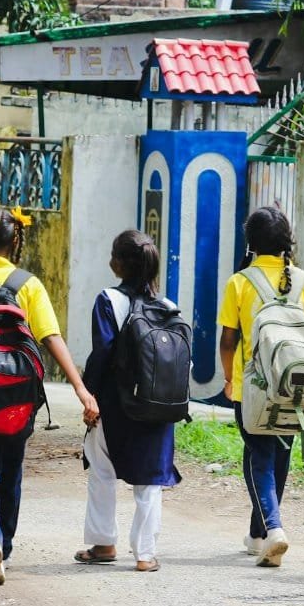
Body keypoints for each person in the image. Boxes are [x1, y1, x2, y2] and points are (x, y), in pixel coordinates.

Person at [0, 206, 100, 586]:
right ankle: (3, 547)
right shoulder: (29, 284)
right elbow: (51, 338)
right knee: (10, 472)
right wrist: (80, 388)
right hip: (20, 400)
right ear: (16, 240)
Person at [218, 206, 304, 568]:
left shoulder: (239, 282)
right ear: (286, 241)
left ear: (251, 243)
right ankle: (258, 534)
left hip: (254, 387)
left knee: (258, 456)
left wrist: (229, 377)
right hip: (297, 387)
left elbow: (228, 340)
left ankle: (274, 528)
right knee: (278, 454)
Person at [75, 230, 182, 572]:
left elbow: (103, 352)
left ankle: (104, 543)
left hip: (117, 404)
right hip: (160, 405)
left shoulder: (108, 300)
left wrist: (88, 393)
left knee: (102, 469)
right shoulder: (169, 307)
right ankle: (146, 555)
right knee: (151, 478)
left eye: (113, 255)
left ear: (120, 265)